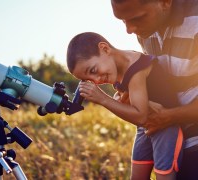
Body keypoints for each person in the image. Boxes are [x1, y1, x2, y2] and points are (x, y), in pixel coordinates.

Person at [66, 32, 189, 180]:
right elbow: (130, 101)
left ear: (105, 49)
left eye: (93, 71)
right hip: (146, 129)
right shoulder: (114, 68)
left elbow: (140, 116)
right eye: (89, 80)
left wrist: (103, 99)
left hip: (166, 127)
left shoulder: (135, 67)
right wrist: (119, 98)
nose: (96, 80)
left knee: (164, 176)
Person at [110, 0, 198, 179]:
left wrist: (171, 116)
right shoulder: (145, 31)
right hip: (171, 143)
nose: (129, 30)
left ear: (165, 2)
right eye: (122, 21)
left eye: (137, 18)